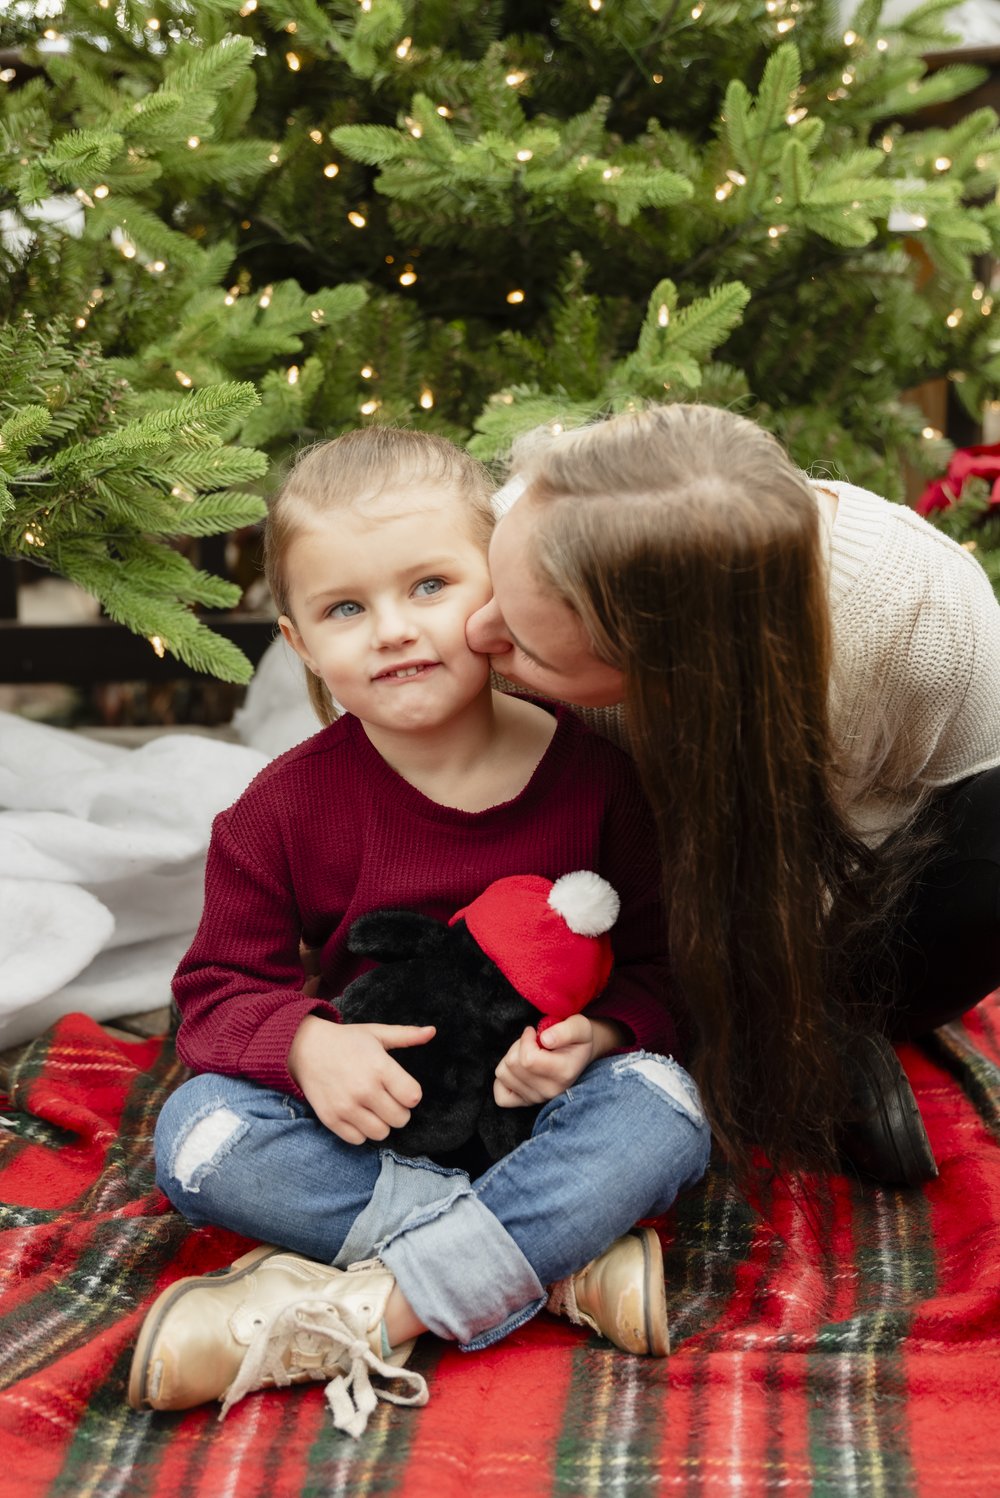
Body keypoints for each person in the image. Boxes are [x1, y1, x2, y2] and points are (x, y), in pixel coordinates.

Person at [128, 428, 710, 1438]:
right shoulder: (281, 811)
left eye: (430, 585)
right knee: (200, 1135)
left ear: (499, 594)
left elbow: (664, 973)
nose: (393, 629)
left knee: (663, 1104)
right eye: (346, 608)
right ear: (300, 642)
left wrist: (602, 1035)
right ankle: (561, 1264)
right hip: (375, 1141)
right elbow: (217, 995)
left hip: (551, 1121)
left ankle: (376, 1301)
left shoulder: (602, 780)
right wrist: (307, 1044)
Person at [465, 401, 1000, 1189]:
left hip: (896, 852)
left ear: (674, 675)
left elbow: (811, 876)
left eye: (526, 644)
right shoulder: (557, 517)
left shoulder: (910, 627)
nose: (479, 632)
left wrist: (745, 1011)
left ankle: (830, 1039)